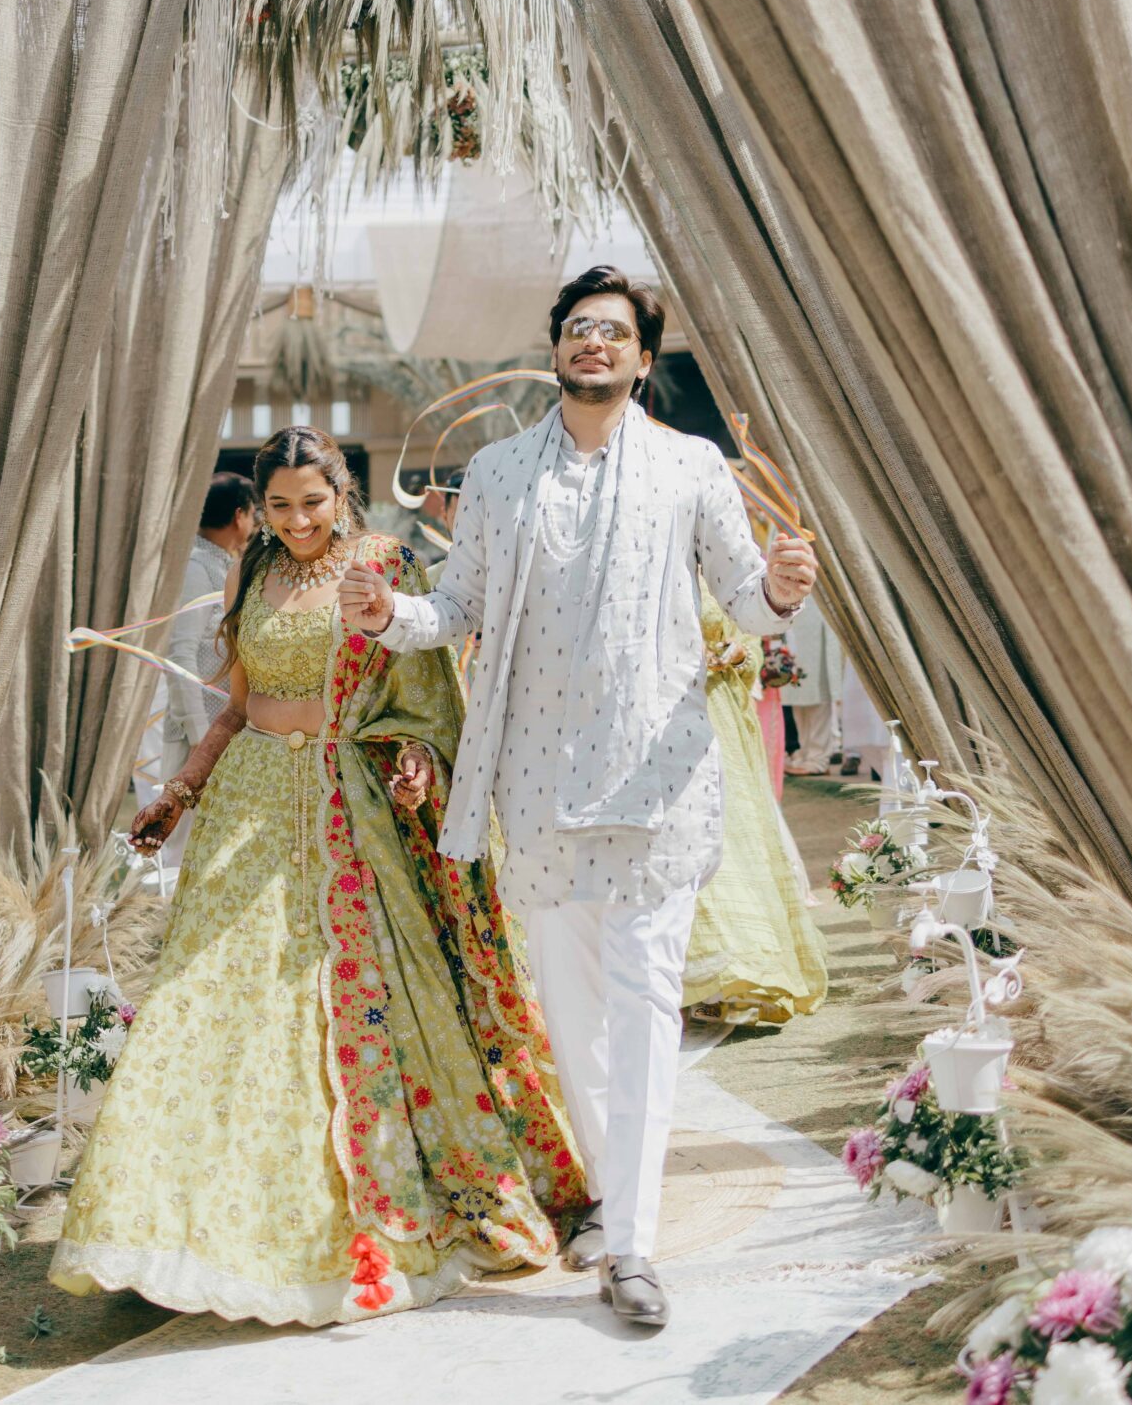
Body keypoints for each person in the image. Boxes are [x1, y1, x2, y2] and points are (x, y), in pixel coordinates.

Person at [339, 267, 819, 1328]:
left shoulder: (690, 465)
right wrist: (386, 616)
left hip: (655, 780)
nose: (592, 342)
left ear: (643, 359)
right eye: (577, 328)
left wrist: (781, 591)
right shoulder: (500, 471)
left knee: (645, 1005)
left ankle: (634, 1246)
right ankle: (609, 1197)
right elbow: (456, 606)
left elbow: (744, 597)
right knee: (573, 1015)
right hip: (539, 784)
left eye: (613, 331)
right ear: (555, 348)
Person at [53, 427, 586, 1326]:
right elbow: (235, 708)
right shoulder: (252, 570)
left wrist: (414, 760)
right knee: (198, 1002)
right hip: (249, 807)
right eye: (279, 506)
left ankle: (339, 1216)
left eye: (313, 502)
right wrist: (180, 793)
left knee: (341, 1001)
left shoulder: (384, 565)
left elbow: (427, 700)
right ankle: (159, 1230)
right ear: (259, 509)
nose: (297, 521)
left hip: (350, 806)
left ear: (342, 493)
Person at [682, 592, 829, 1024]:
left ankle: (743, 974)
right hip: (671, 718)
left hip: (723, 719)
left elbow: (748, 644)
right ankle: (701, 979)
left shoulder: (717, 577)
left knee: (734, 839)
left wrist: (737, 654)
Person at [155, 472, 256, 793]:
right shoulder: (196, 567)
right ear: (239, 515)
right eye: (253, 513)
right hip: (196, 739)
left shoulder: (223, 564)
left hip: (222, 730)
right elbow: (180, 654)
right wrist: (198, 734)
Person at [780, 597, 840, 776]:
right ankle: (804, 754)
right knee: (795, 692)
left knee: (817, 691)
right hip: (791, 617)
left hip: (817, 616)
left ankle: (818, 758)